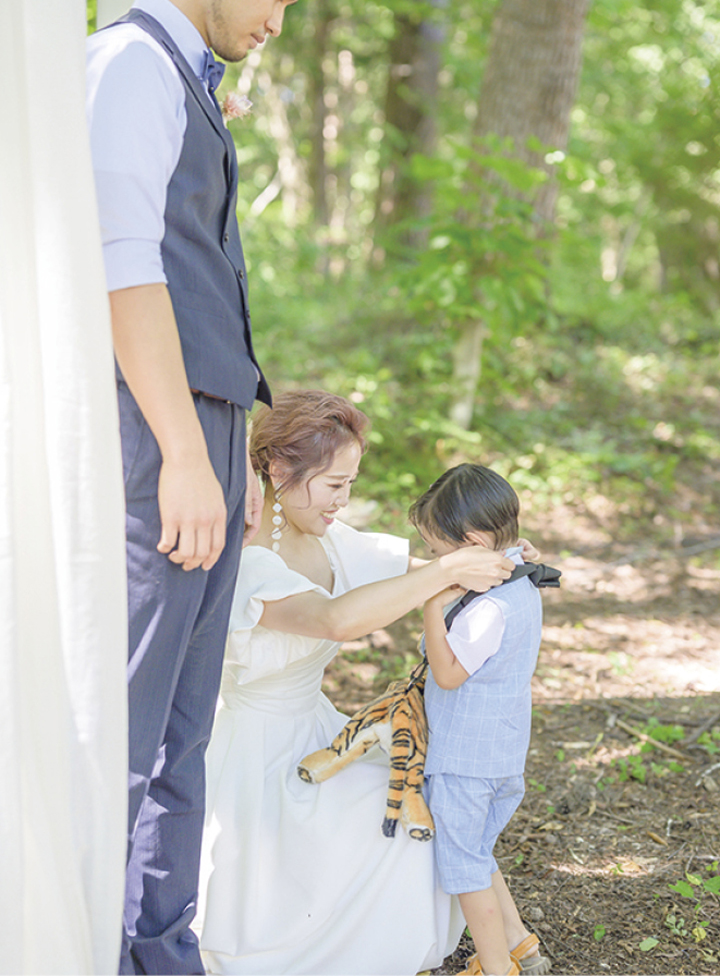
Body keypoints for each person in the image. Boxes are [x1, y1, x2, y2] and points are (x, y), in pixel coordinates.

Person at [86, 1, 296, 971]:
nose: (278, 22)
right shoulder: (129, 65)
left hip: (206, 430)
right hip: (154, 437)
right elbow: (124, 268)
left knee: (182, 736)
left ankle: (162, 954)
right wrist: (179, 452)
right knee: (127, 733)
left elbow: (199, 276)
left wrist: (231, 452)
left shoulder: (183, 77)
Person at [194, 390, 539, 975]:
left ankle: (515, 943)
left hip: (319, 725)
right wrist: (449, 570)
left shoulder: (328, 535)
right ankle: (502, 948)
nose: (344, 501)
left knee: (429, 795)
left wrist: (493, 559)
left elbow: (414, 567)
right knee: (399, 819)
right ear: (278, 471)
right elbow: (336, 620)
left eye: (350, 483)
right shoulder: (247, 556)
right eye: (333, 485)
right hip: (260, 754)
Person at [409, 464, 553, 976]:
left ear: (471, 542)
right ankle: (520, 947)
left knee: (464, 867)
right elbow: (517, 551)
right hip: (499, 750)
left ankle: (496, 967)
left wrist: (431, 601)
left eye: (435, 551)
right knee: (473, 849)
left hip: (465, 759)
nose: (433, 562)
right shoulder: (515, 573)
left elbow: (447, 674)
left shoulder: (488, 608)